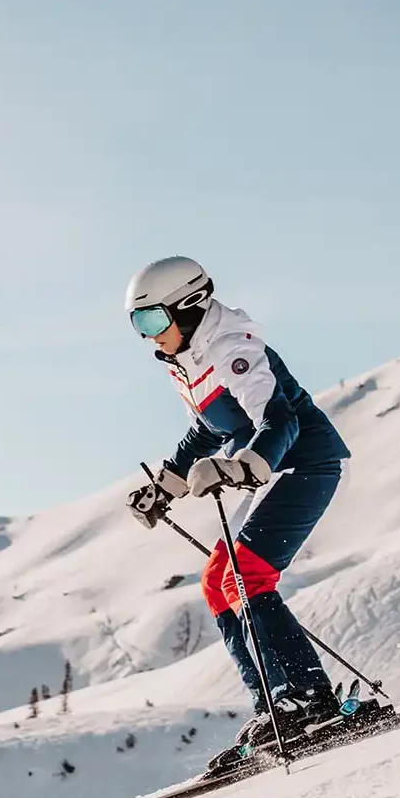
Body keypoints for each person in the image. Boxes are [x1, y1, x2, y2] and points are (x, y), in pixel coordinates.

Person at [124, 255, 350, 751]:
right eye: (137, 324)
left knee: (245, 577)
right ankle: (273, 702)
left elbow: (279, 420)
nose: (148, 335)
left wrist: (241, 465)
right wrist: (166, 485)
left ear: (187, 307)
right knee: (217, 584)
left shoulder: (231, 347)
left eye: (152, 320)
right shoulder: (186, 360)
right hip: (270, 474)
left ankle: (310, 698)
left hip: (307, 464)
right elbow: (209, 429)